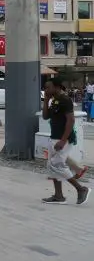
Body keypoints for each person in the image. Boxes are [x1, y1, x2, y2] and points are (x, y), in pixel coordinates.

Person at [42, 77, 90, 205]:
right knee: (52, 166)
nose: (46, 89)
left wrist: (63, 140)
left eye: (48, 87)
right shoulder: (55, 100)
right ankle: (59, 196)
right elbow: (45, 116)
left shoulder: (65, 100)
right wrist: (46, 100)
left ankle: (81, 189)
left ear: (57, 87)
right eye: (45, 87)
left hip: (63, 138)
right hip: (54, 136)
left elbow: (71, 120)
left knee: (57, 165)